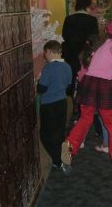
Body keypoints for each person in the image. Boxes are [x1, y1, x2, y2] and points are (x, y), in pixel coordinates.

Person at [61, 21, 112, 168]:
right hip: (103, 85)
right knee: (111, 122)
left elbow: (106, 68)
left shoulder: (103, 47)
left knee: (85, 118)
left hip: (89, 82)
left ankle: (69, 145)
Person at [37, 40, 72, 173]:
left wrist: (39, 82)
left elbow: (42, 88)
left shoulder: (48, 68)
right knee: (59, 132)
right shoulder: (67, 66)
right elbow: (68, 84)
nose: (45, 56)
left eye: (45, 53)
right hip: (62, 102)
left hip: (49, 104)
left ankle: (58, 161)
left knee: (45, 135)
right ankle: (64, 155)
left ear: (50, 52)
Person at [61, 0, 99, 97]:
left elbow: (64, 37)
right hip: (86, 55)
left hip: (71, 54)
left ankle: (74, 104)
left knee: (73, 78)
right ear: (87, 6)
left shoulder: (68, 19)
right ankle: (86, 104)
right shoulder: (92, 20)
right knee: (87, 78)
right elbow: (94, 39)